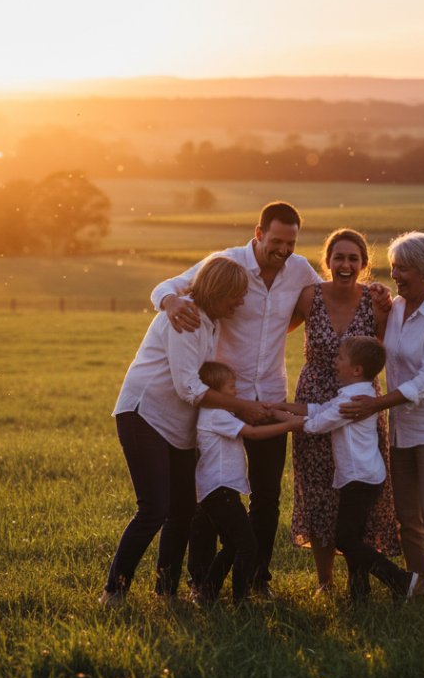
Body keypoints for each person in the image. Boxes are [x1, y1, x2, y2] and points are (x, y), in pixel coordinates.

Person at [151, 201, 320, 596]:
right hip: (222, 399)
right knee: (211, 496)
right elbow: (167, 286)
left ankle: (256, 580)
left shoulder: (299, 269)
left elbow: (328, 298)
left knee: (266, 497)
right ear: (258, 233)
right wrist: (171, 302)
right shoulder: (226, 263)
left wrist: (376, 294)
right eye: (276, 241)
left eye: (291, 243)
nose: (283, 250)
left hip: (271, 396)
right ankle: (200, 583)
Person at [101, 256, 262, 607]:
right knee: (154, 509)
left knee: (183, 511)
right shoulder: (187, 318)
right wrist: (243, 407)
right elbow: (188, 387)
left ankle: (166, 592)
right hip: (144, 415)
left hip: (175, 426)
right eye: (235, 296)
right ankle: (114, 591)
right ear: (217, 290)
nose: (239, 303)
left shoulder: (210, 320)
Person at [340, 232, 424, 600]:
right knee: (408, 519)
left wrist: (373, 405)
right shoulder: (397, 307)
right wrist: (381, 306)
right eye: (394, 267)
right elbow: (384, 350)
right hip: (403, 428)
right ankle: (421, 591)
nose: (396, 275)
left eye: (404, 269)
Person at [288, 228, 400, 594]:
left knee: (357, 492)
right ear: (327, 261)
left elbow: (381, 349)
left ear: (365, 265)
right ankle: (325, 583)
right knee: (319, 491)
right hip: (314, 399)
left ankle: (359, 583)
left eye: (354, 259)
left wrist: (388, 302)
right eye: (339, 257)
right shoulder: (309, 296)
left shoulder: (375, 301)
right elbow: (273, 328)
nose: (346, 265)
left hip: (358, 404)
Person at [277, 336, 417, 603]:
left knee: (345, 538)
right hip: (362, 476)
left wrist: (281, 419)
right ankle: (359, 594)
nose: (335, 361)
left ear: (357, 370)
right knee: (355, 536)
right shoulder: (353, 395)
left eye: (340, 358)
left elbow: (316, 424)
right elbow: (319, 409)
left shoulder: (351, 401)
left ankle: (399, 579)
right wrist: (285, 407)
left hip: (360, 478)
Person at [191, 361, 305, 605]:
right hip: (219, 491)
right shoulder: (215, 415)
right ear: (216, 391)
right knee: (248, 545)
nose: (235, 392)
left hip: (219, 491)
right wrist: (290, 425)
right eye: (231, 387)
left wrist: (270, 411)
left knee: (233, 544)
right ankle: (241, 599)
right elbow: (252, 433)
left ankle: (207, 593)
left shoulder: (217, 414)